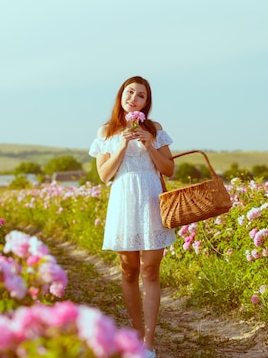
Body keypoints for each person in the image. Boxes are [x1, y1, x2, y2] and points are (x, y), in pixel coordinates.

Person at [89, 76, 176, 358]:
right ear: (121, 96)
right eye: (130, 93)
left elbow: (169, 169)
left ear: (145, 102)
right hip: (123, 199)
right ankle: (135, 337)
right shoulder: (106, 131)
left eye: (140, 95)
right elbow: (104, 175)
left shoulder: (155, 128)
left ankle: (149, 342)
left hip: (151, 198)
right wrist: (122, 145)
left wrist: (149, 143)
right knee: (129, 270)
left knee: (151, 269)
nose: (134, 98)